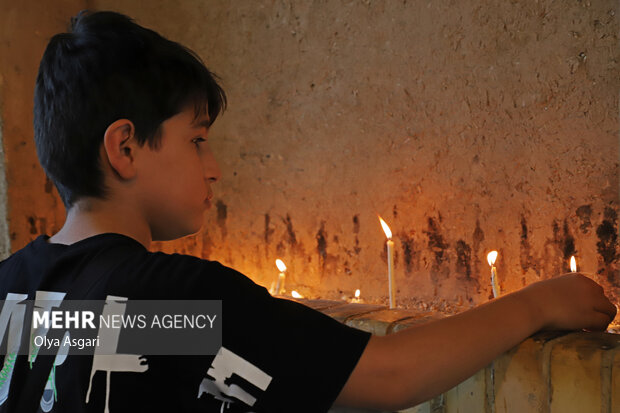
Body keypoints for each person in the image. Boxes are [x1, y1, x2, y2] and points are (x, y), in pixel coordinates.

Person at [0, 9, 616, 413]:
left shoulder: (11, 293)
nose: (212, 167)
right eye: (197, 139)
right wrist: (538, 301)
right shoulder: (174, 305)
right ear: (125, 147)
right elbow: (388, 376)